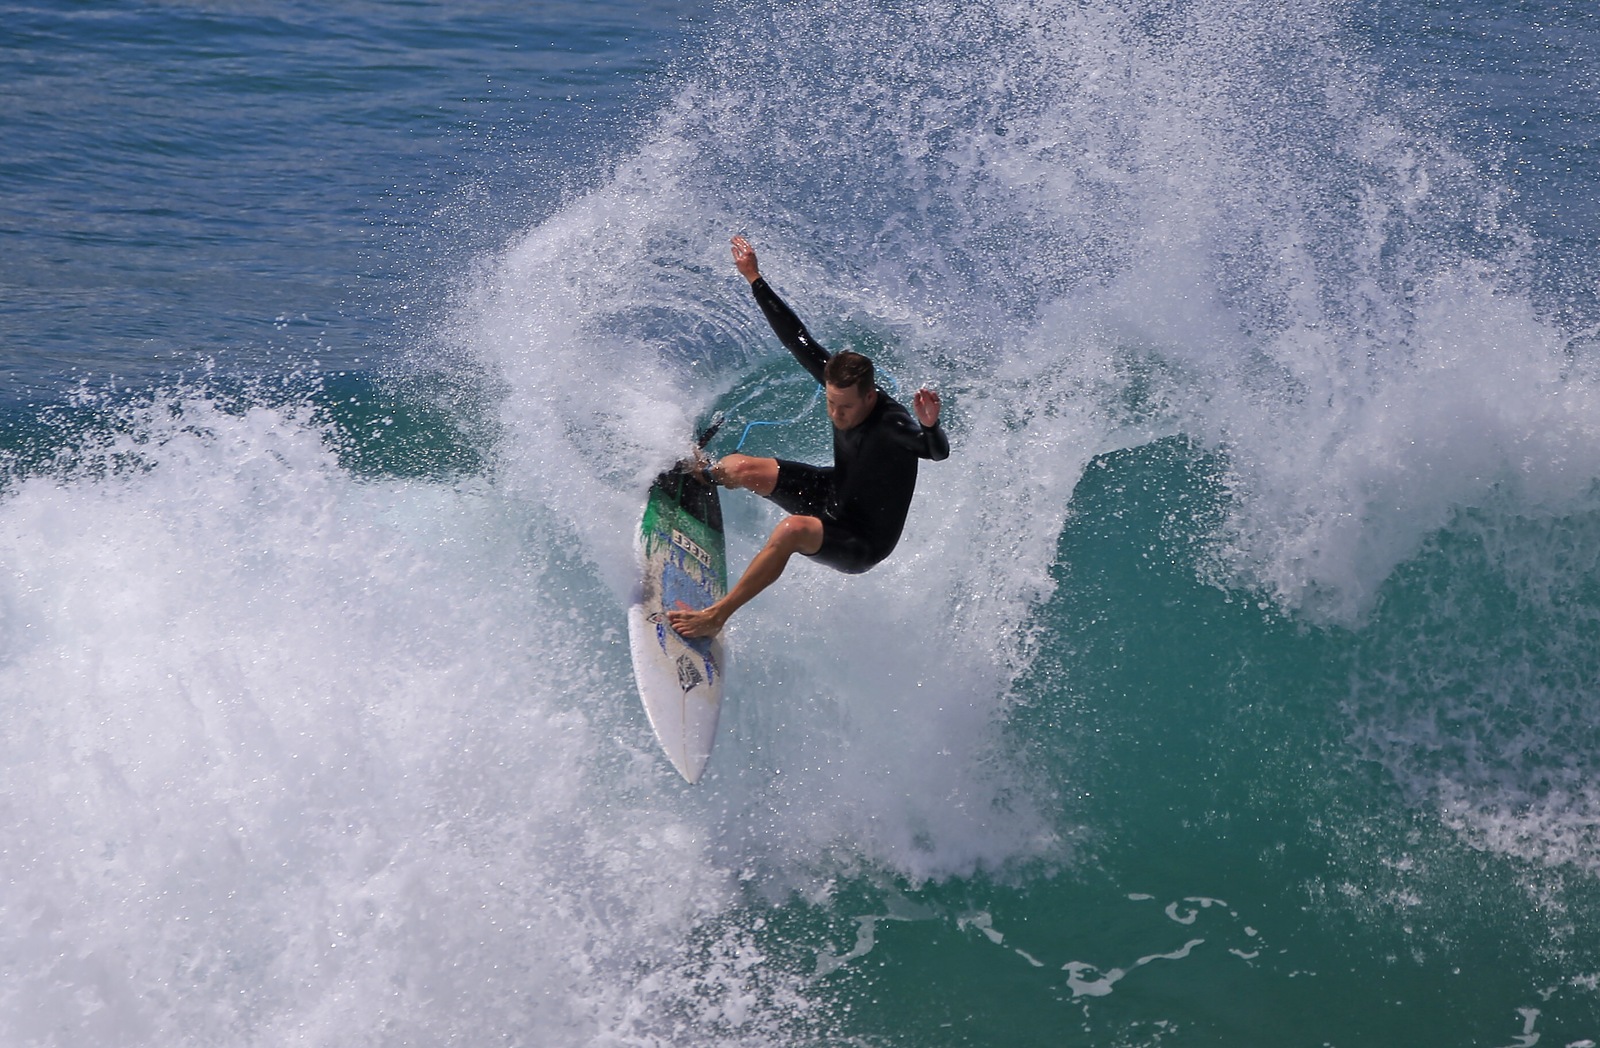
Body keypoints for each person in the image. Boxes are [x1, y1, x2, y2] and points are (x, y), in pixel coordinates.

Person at [667, 236, 949, 639]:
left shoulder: (893, 424)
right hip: (832, 491)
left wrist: (931, 424)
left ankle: (716, 616)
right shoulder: (841, 390)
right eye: (831, 404)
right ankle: (699, 476)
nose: (836, 414)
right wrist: (754, 278)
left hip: (861, 539)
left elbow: (935, 452)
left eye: (845, 408)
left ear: (870, 396)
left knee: (791, 531)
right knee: (743, 467)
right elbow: (795, 337)